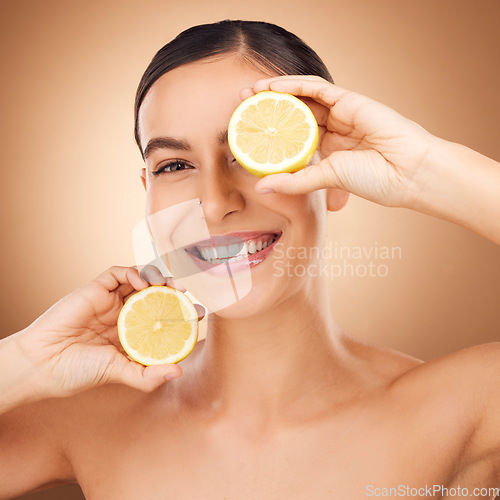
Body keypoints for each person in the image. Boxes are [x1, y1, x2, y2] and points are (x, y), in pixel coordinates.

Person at [1, 19, 499, 499]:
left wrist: (423, 168)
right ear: (147, 194)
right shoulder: (86, 419)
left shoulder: (461, 408)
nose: (216, 202)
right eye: (174, 165)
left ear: (334, 175)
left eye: (247, 152)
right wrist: (23, 362)